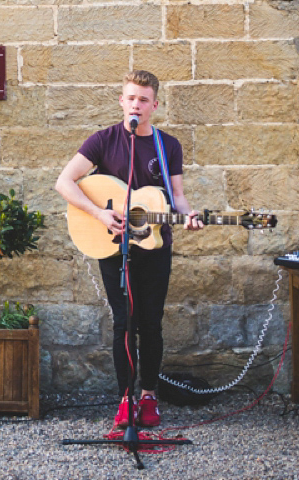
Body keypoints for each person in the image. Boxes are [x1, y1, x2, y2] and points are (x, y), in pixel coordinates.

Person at [54, 70, 202, 428]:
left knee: (150, 323)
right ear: (122, 100)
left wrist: (190, 215)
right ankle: (125, 399)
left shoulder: (169, 147)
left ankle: (148, 397)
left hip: (155, 245)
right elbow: (64, 181)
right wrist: (100, 213)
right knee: (124, 323)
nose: (136, 104)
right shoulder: (103, 141)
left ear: (154, 105)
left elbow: (177, 197)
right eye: (131, 97)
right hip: (114, 245)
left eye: (143, 99)